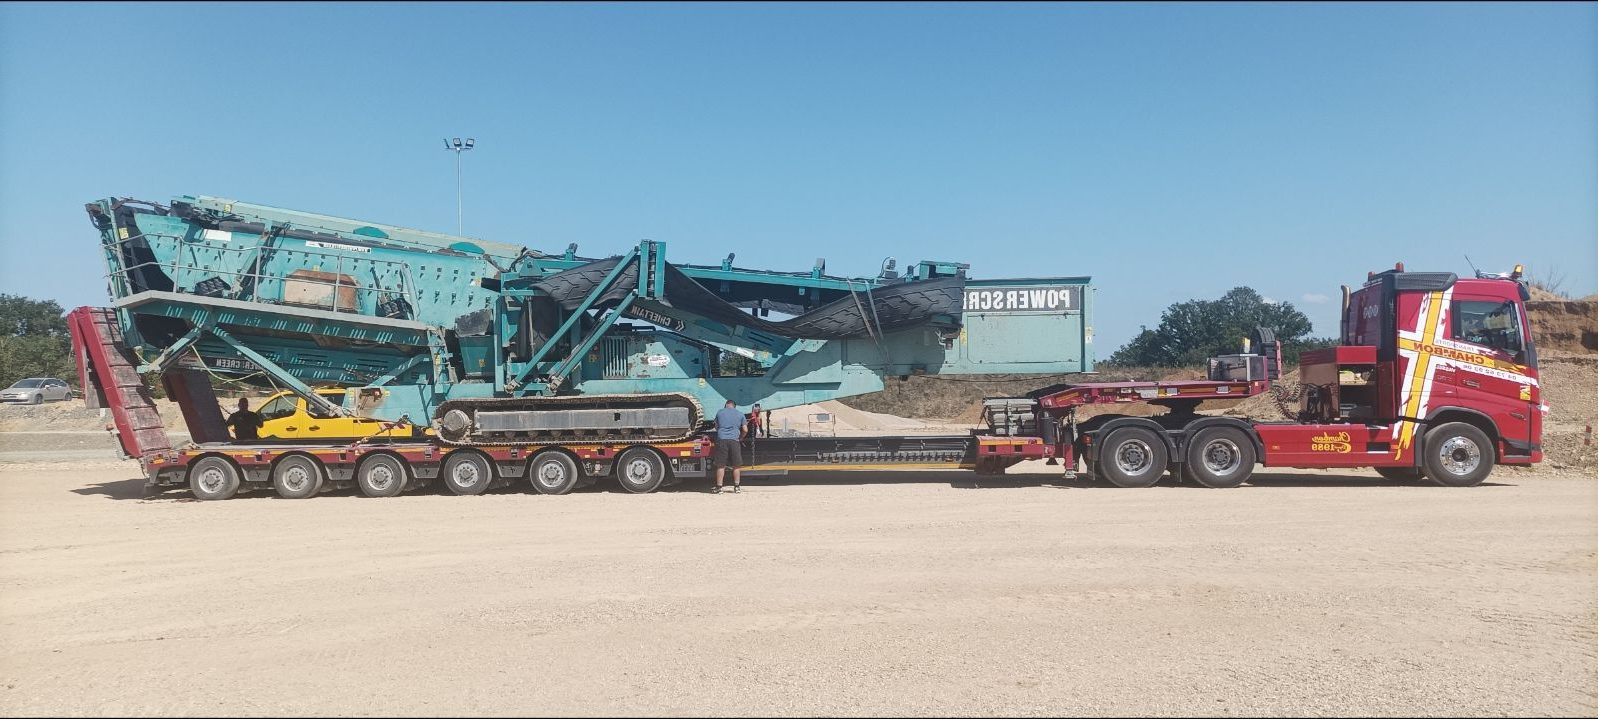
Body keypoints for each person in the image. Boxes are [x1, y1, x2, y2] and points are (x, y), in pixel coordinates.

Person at [713, 399, 744, 494]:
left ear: (725, 405)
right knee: (736, 466)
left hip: (722, 440)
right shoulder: (740, 414)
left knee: (721, 465)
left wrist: (721, 432)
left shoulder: (720, 412)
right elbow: (745, 429)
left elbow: (716, 426)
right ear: (734, 406)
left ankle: (719, 487)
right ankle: (737, 487)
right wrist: (741, 437)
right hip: (734, 440)